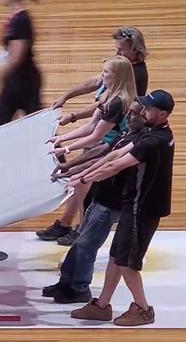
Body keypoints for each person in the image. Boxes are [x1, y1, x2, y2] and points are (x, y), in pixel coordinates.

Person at [69, 90, 175, 326]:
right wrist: (83, 173)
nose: (142, 111)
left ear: (163, 114)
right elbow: (115, 152)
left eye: (148, 109)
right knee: (116, 258)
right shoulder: (153, 132)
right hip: (133, 206)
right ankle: (102, 305)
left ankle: (143, 309)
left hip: (142, 209)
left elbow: (116, 165)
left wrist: (84, 179)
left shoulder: (153, 141)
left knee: (127, 263)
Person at [36, 26, 149, 243]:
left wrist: (67, 146)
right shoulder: (119, 70)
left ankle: (81, 229)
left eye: (121, 50)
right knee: (80, 183)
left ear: (135, 51)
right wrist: (69, 102)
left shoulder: (133, 76)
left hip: (110, 140)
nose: (117, 53)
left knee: (83, 182)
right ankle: (67, 224)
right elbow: (99, 101)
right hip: (103, 133)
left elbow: (101, 124)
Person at [42, 101, 146, 304]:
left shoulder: (140, 141)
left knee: (86, 245)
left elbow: (110, 163)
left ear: (144, 116)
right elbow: (100, 152)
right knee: (81, 240)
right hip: (101, 196)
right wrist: (71, 167)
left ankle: (79, 288)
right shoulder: (126, 135)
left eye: (134, 113)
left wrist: (81, 177)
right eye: (129, 112)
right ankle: (67, 282)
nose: (129, 116)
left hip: (113, 203)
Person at [0, 0, 41, 129]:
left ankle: (56, 151)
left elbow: (16, 57)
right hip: (19, 80)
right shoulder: (16, 18)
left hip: (23, 81)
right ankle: (56, 151)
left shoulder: (21, 20)